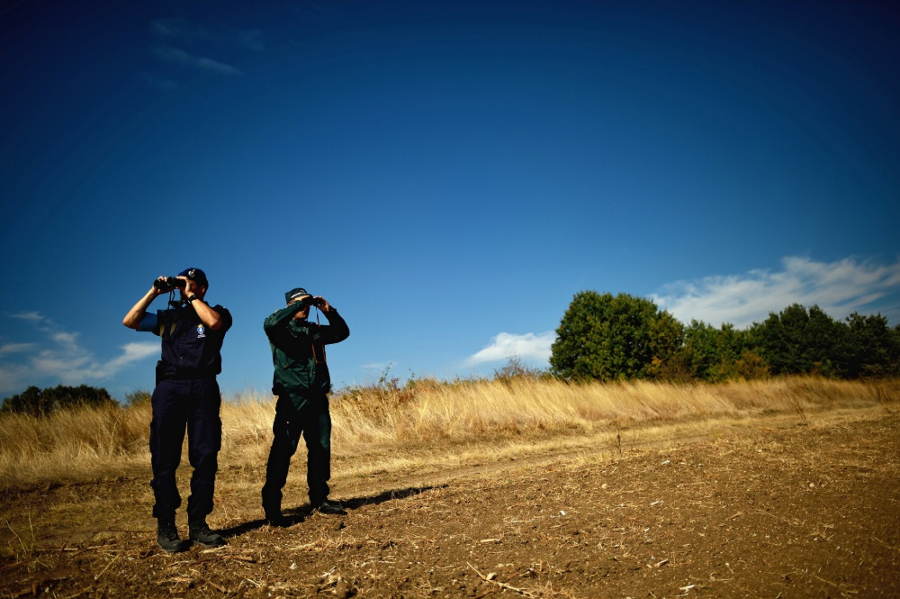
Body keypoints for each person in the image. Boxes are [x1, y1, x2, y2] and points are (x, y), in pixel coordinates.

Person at [122, 268, 232, 553]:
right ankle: (166, 525)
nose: (185, 288)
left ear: (203, 288)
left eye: (192, 284)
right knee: (164, 458)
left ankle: (198, 523)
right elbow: (130, 321)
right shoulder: (169, 318)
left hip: (204, 387)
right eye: (183, 283)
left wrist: (192, 296)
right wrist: (153, 292)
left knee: (205, 455)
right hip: (170, 388)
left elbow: (215, 323)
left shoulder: (217, 312)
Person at [261, 287, 350, 525]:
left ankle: (320, 498)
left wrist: (329, 310)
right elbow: (268, 324)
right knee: (283, 451)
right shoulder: (280, 330)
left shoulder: (313, 330)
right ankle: (272, 506)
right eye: (300, 303)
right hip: (292, 400)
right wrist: (294, 306)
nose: (305, 307)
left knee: (320, 449)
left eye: (307, 303)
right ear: (290, 305)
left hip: (317, 399)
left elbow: (342, 333)